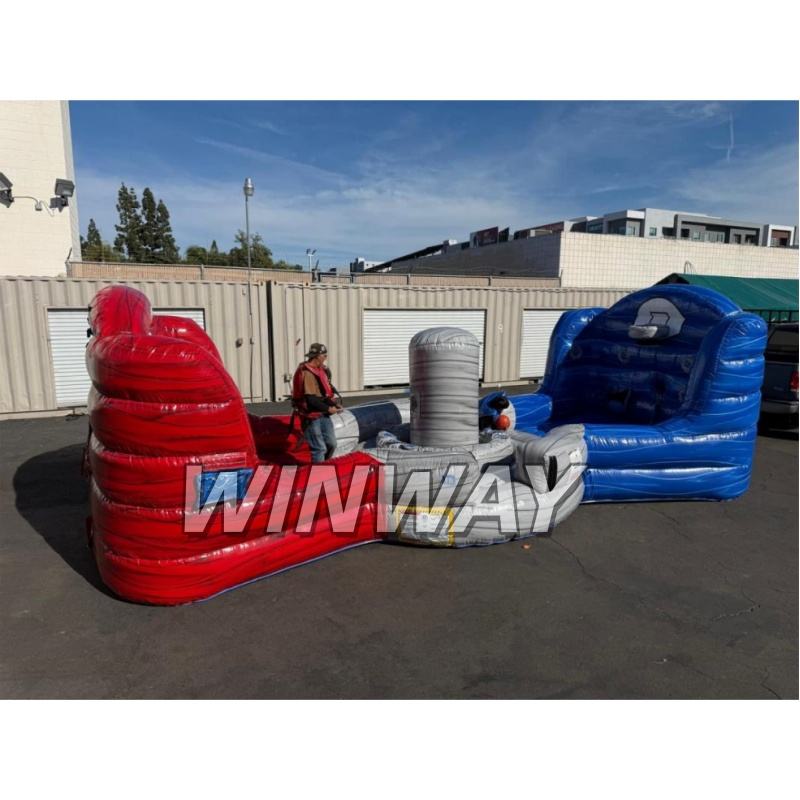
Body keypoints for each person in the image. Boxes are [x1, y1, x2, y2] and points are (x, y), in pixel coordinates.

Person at [291, 343, 342, 462]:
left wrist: (334, 405)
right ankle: (319, 471)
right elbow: (311, 400)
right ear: (318, 356)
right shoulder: (308, 373)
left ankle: (324, 466)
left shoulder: (319, 371)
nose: (326, 358)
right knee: (319, 448)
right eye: (324, 355)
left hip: (322, 413)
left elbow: (323, 395)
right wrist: (329, 409)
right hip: (311, 416)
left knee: (331, 444)